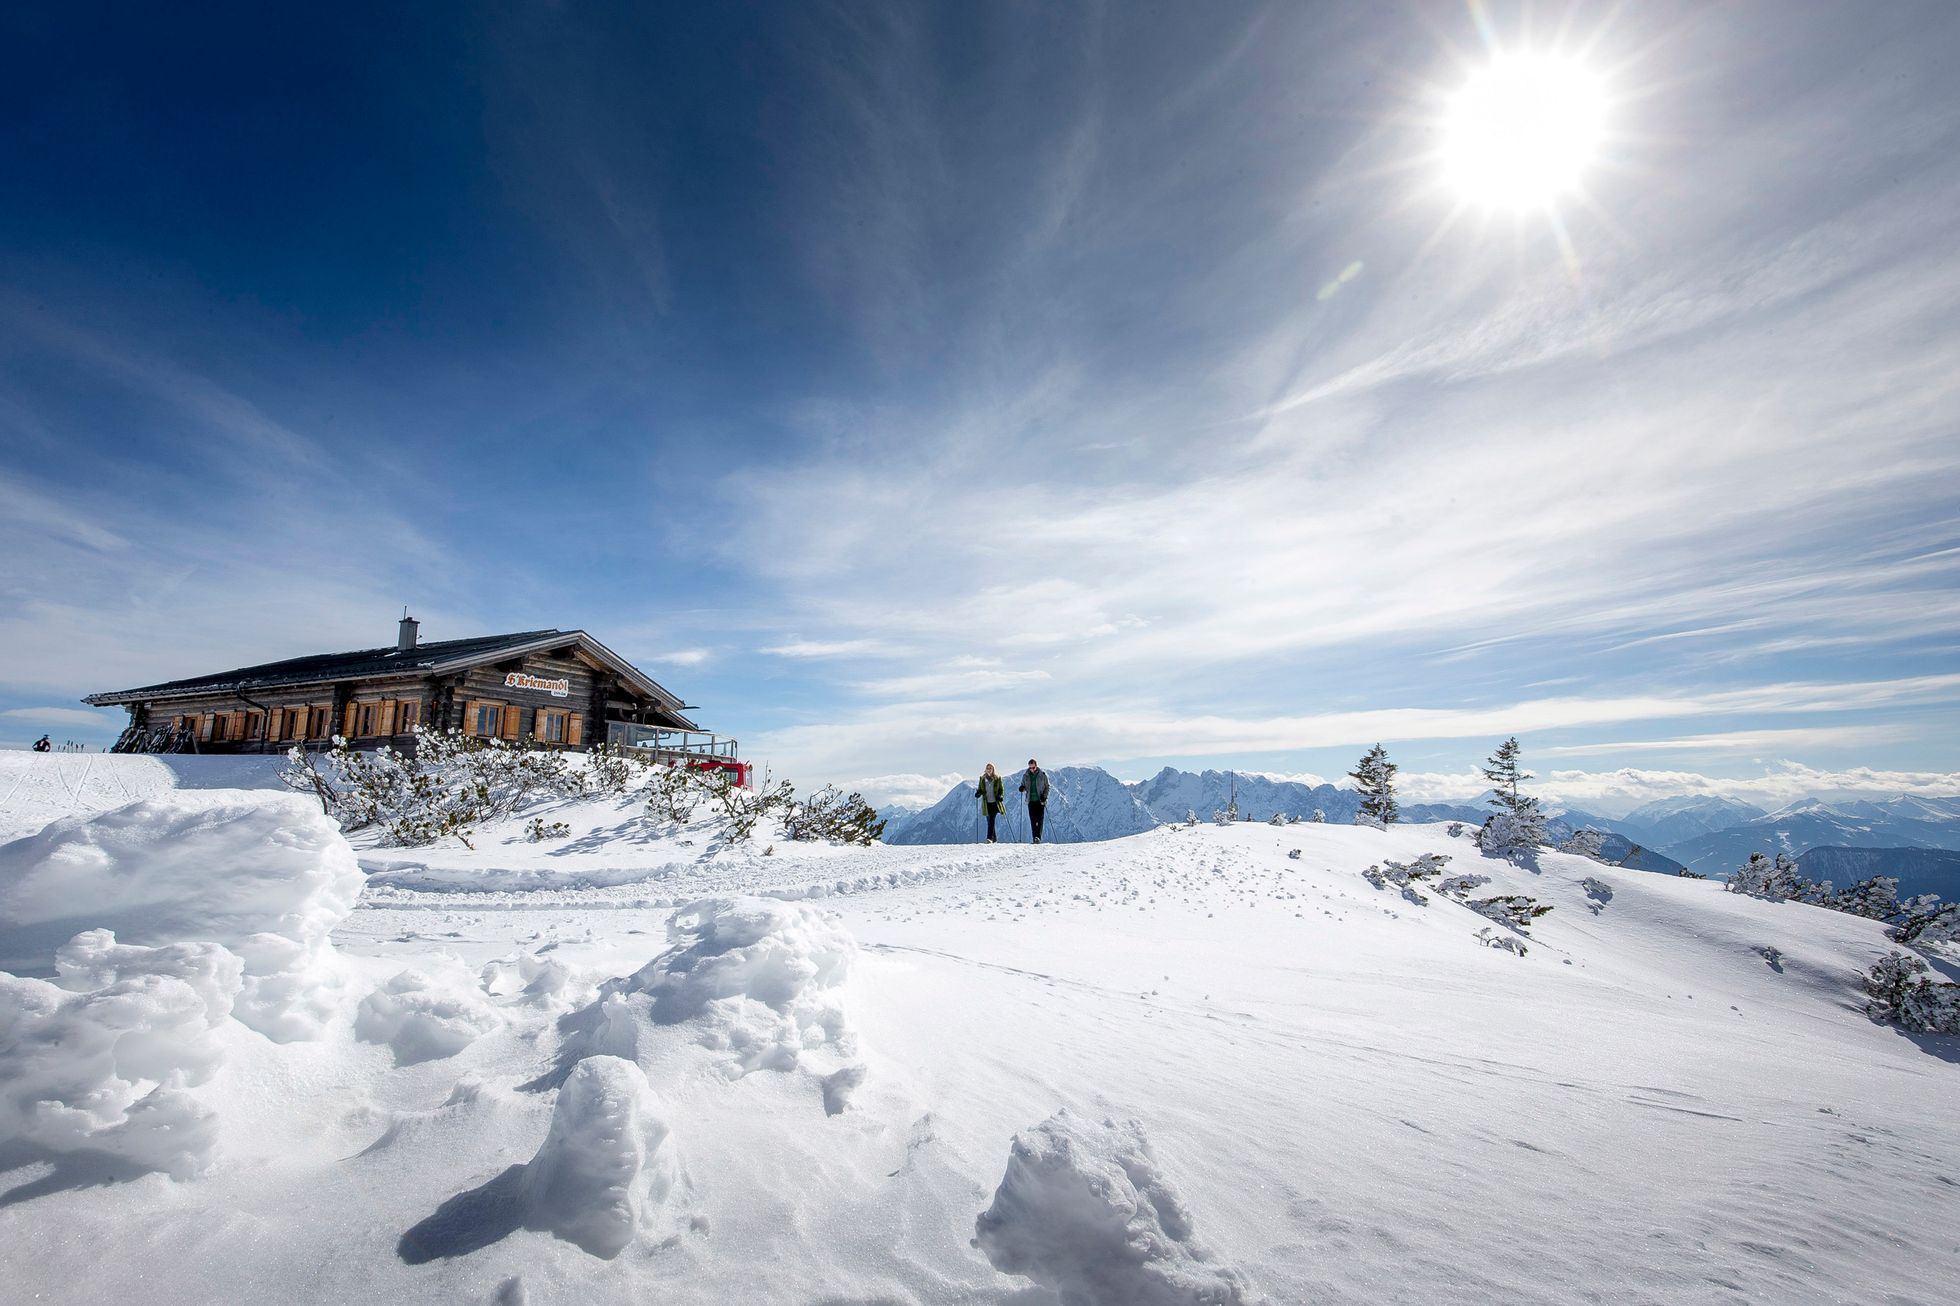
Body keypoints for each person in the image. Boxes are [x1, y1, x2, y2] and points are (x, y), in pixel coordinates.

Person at [1019, 758, 1050, 843]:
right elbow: (1023, 785)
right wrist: (1022, 788)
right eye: (1030, 768)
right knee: (1033, 819)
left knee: (1039, 819)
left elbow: (1047, 786)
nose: (1032, 769)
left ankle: (1038, 838)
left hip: (1040, 800)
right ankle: (1035, 838)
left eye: (1033, 767)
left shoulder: (1042, 775)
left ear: (1036, 766)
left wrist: (1044, 796)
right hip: (1030, 800)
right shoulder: (1025, 776)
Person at [975, 763, 1006, 843]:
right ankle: (994, 838)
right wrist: (978, 793)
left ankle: (989, 838)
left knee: (992, 819)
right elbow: (980, 789)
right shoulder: (982, 779)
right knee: (989, 821)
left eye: (990, 768)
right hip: (986, 803)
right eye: (987, 768)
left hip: (995, 803)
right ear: (985, 769)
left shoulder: (997, 778)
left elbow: (1001, 790)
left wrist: (1001, 796)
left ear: (993, 769)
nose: (989, 769)